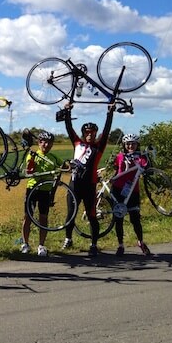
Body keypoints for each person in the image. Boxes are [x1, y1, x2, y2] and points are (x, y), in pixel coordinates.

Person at [62, 104, 115, 256]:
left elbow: (107, 130)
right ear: (83, 133)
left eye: (92, 132)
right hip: (74, 185)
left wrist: (109, 113)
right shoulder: (77, 143)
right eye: (87, 132)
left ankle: (93, 244)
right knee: (71, 214)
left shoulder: (99, 146)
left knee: (92, 215)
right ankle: (68, 239)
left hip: (90, 186)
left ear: (95, 133)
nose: (90, 134)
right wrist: (67, 111)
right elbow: (69, 127)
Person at [20, 131, 63, 257]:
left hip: (46, 190)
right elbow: (29, 169)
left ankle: (41, 245)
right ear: (39, 143)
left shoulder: (53, 157)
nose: (46, 144)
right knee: (28, 216)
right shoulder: (33, 154)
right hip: (33, 188)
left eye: (49, 142)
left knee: (43, 218)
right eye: (43, 142)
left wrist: (70, 164)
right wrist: (32, 159)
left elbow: (64, 166)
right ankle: (25, 244)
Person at [112, 133, 151, 256]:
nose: (130, 146)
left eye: (133, 143)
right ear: (124, 145)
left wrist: (147, 157)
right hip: (118, 189)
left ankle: (141, 242)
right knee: (118, 219)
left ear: (137, 144)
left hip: (133, 191)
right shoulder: (119, 156)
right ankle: (120, 245)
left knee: (135, 219)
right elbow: (115, 169)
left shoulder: (141, 157)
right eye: (128, 144)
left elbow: (147, 167)